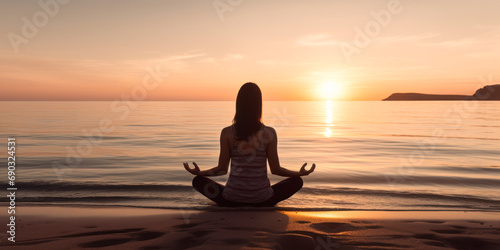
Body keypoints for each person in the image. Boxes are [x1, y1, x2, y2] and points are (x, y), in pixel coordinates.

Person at [183, 82, 315, 207]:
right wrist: (299, 173)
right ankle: (258, 200)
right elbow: (275, 169)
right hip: (263, 200)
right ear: (259, 105)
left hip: (231, 199)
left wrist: (200, 173)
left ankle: (234, 199)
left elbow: (221, 169)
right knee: (297, 181)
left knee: (198, 181)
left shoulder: (227, 133)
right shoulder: (269, 133)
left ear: (238, 104)